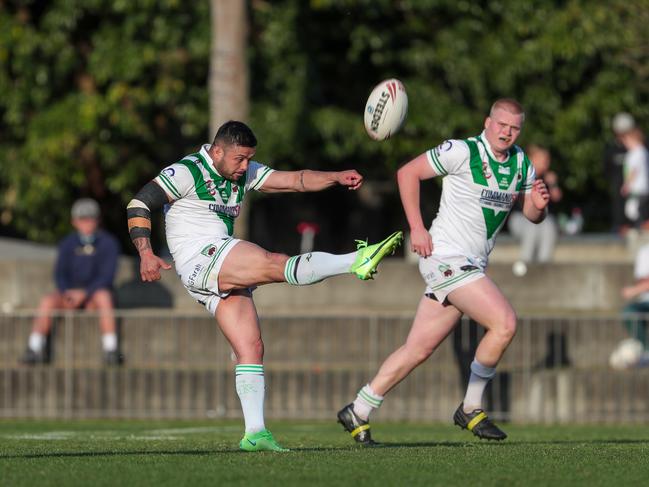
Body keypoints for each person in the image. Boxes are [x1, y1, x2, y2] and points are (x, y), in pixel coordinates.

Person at [126, 121, 402, 452]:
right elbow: (139, 204)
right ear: (217, 151)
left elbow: (295, 181)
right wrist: (146, 253)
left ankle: (255, 433)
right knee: (274, 262)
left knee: (251, 348)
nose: (245, 167)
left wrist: (336, 177)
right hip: (202, 256)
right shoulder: (188, 170)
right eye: (240, 159)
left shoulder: (241, 171)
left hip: (215, 266)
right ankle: (356, 260)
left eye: (249, 159)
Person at [337, 99, 550, 444]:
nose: (506, 133)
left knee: (418, 349)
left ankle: (358, 409)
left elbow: (531, 214)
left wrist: (539, 207)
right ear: (487, 122)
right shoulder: (462, 151)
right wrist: (417, 229)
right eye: (501, 125)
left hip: (469, 264)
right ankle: (470, 407)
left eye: (514, 128)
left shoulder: (521, 162)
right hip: (446, 256)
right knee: (505, 322)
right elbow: (408, 172)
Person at [21, 198, 122, 365]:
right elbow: (59, 273)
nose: (87, 223)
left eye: (91, 218)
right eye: (83, 219)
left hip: (94, 295)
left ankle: (110, 349)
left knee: (104, 297)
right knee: (47, 301)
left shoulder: (109, 243)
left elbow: (106, 276)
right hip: (70, 295)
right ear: (74, 222)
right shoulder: (67, 243)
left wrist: (85, 293)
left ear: (97, 220)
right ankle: (34, 347)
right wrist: (67, 292)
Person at [508, 145, 562, 273]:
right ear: (531, 159)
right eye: (542, 159)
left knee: (548, 226)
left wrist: (553, 183)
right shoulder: (521, 174)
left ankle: (543, 266)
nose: (545, 163)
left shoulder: (546, 179)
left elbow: (557, 197)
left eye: (547, 160)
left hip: (541, 220)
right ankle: (525, 266)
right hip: (519, 218)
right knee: (532, 228)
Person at [604, 113, 635, 234]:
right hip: (618, 196)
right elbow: (606, 170)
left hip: (635, 195)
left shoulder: (637, 149)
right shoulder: (611, 150)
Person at [618, 121, 649, 230]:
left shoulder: (636, 152)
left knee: (634, 211)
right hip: (641, 188)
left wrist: (626, 185)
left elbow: (633, 171)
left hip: (638, 188)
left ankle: (641, 230)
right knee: (635, 211)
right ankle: (640, 228)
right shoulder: (643, 152)